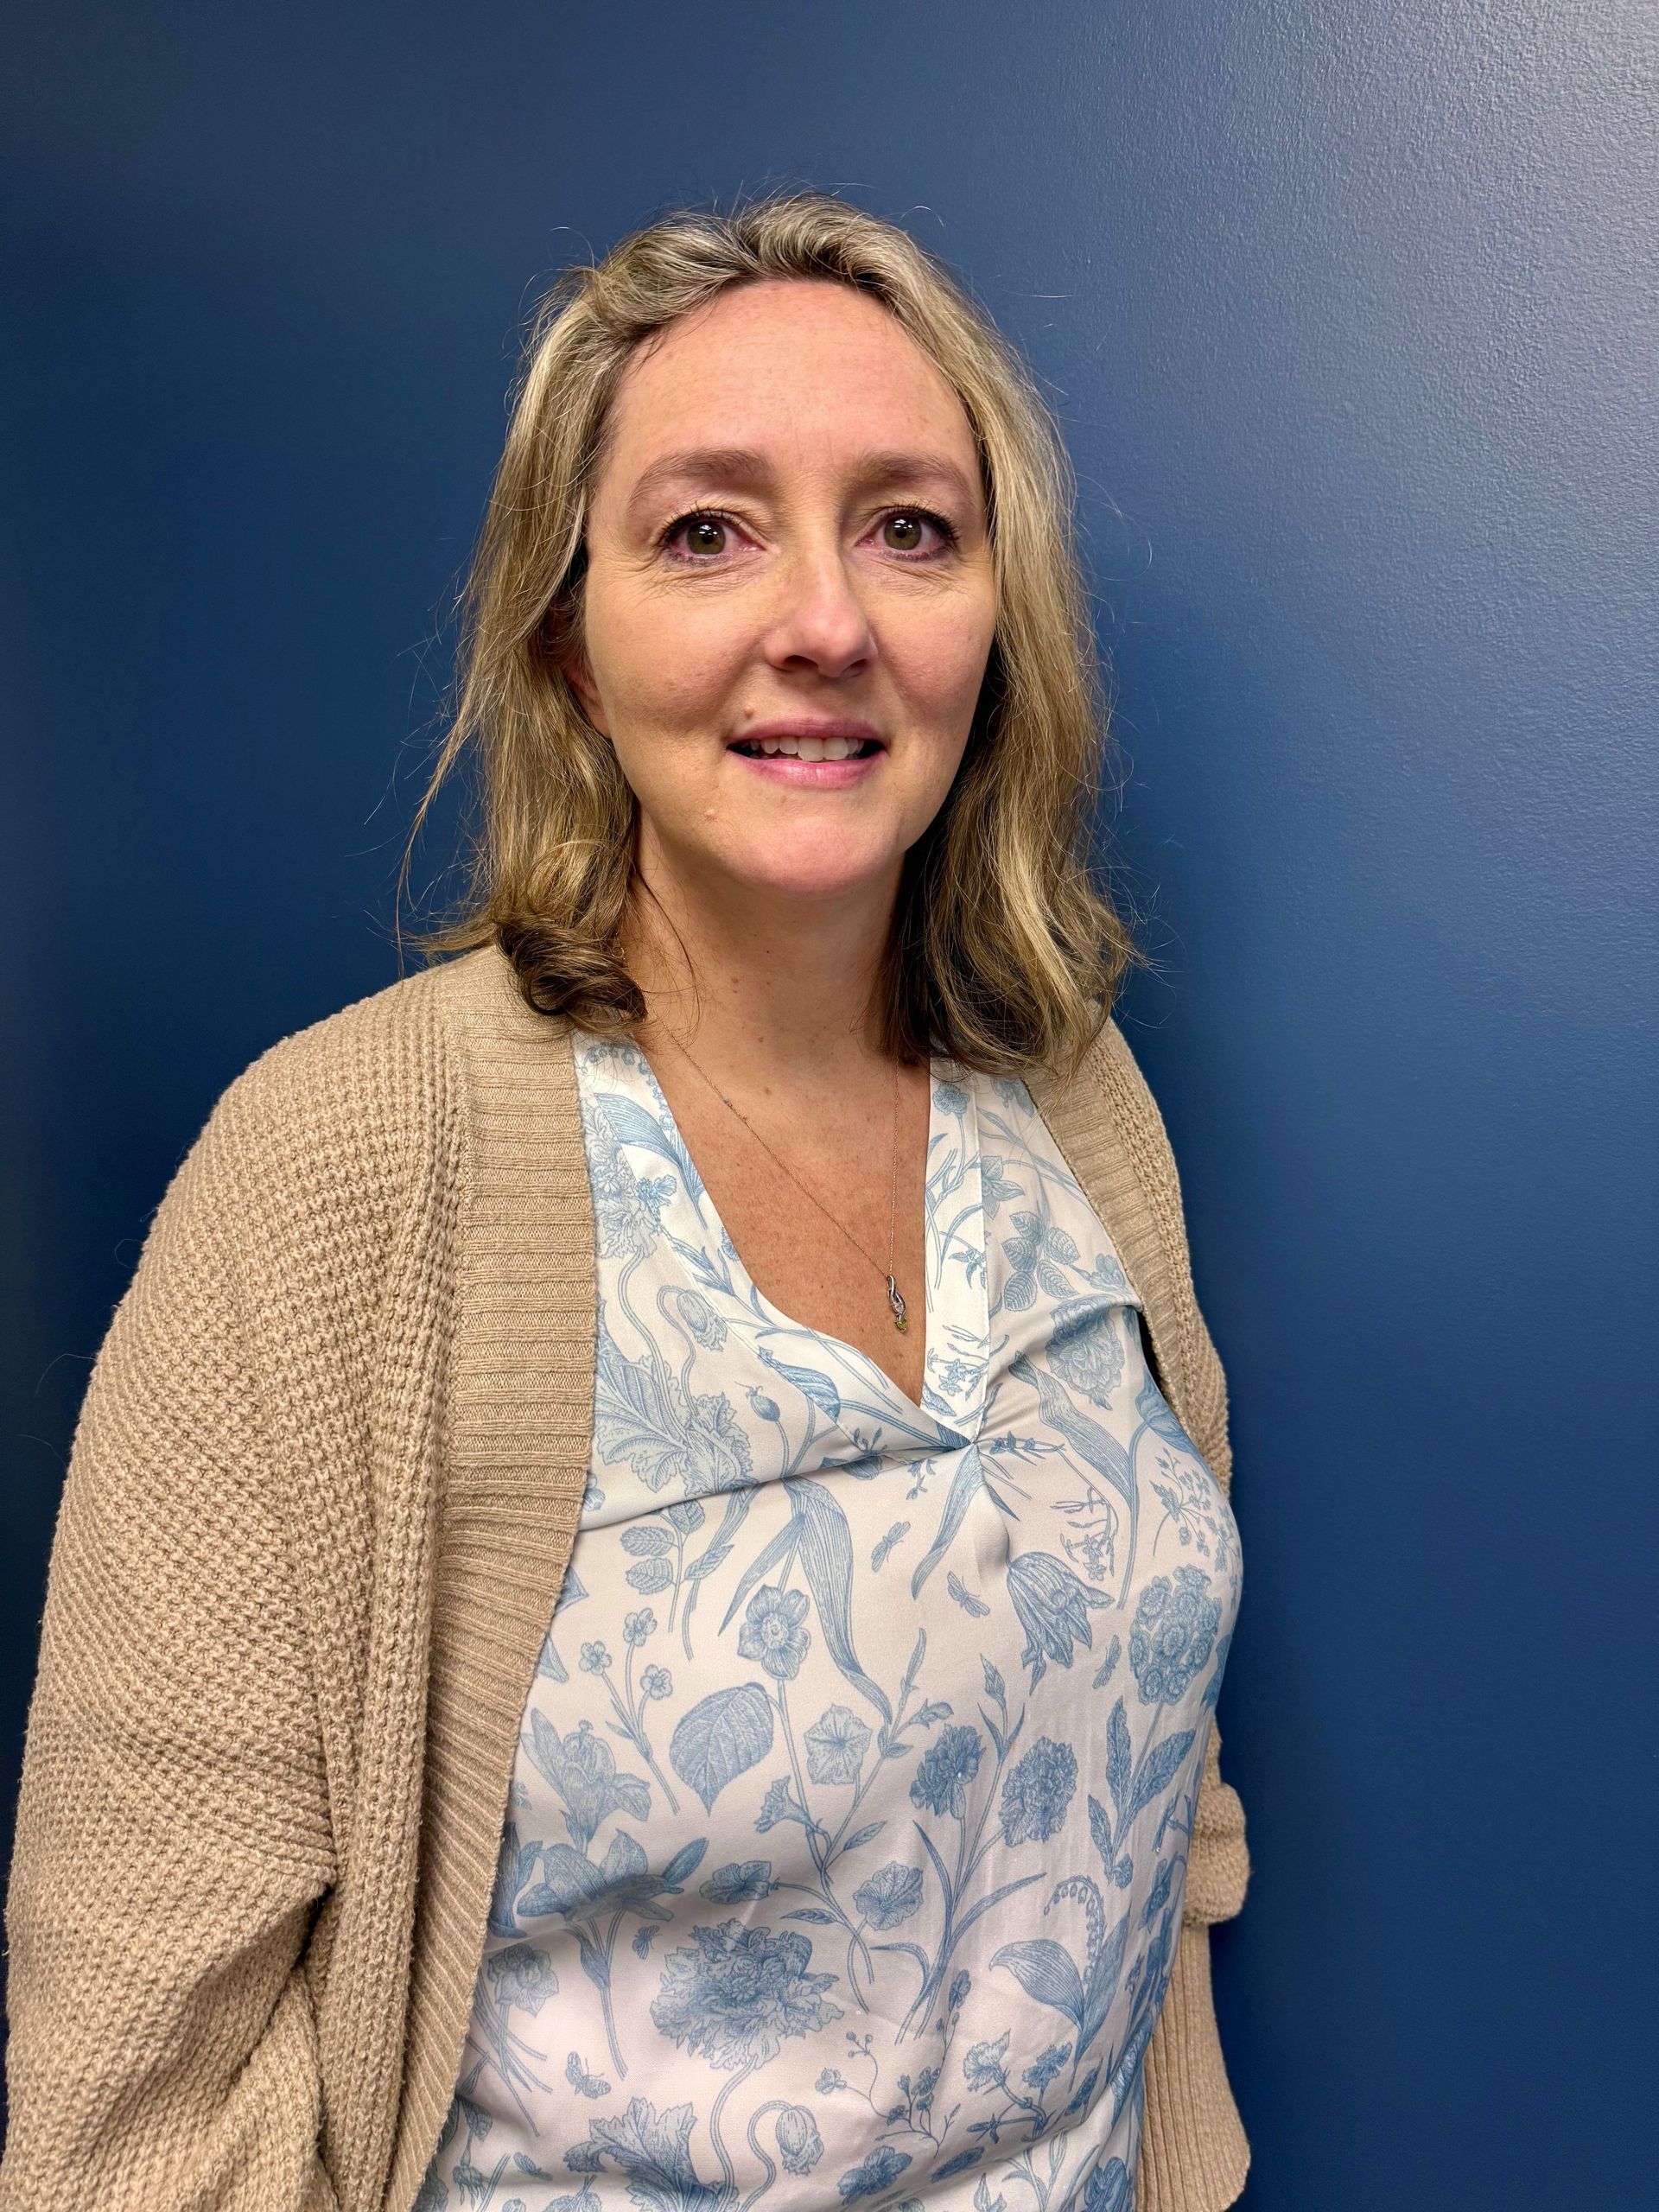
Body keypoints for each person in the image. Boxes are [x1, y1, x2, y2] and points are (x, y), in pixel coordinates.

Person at [1, 192, 1251, 2211]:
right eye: (706, 531)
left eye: (909, 527)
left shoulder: (1080, 1102)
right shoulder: (336, 1177)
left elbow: (1159, 1789)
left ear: (994, 623)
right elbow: (136, 2095)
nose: (825, 619)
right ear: (570, 643)